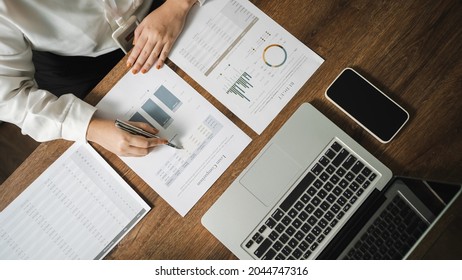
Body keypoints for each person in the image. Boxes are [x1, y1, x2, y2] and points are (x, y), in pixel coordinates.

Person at [0, 0, 205, 157]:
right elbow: (9, 98)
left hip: (165, 11)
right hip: (75, 67)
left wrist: (178, 5)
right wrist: (90, 128)